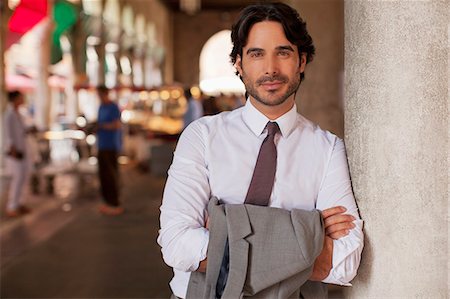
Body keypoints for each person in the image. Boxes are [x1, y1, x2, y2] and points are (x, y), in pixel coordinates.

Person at [158, 3, 364, 298]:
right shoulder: (202, 137)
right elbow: (177, 245)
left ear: (302, 61)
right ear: (239, 63)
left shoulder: (328, 149)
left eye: (283, 52)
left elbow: (345, 262)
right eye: (256, 54)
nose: (270, 69)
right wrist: (307, 237)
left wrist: (222, 234)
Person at [96, 85, 124, 216]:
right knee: (103, 176)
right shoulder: (101, 107)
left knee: (111, 175)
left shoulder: (113, 107)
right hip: (101, 145)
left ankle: (115, 203)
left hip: (111, 145)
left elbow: (117, 125)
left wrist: (102, 126)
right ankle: (107, 201)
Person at [3, 91, 31, 217]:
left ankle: (19, 203)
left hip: (22, 150)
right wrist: (13, 149)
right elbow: (8, 135)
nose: (22, 99)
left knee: (23, 178)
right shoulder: (8, 115)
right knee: (17, 178)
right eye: (20, 97)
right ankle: (12, 206)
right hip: (15, 152)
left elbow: (21, 131)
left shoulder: (18, 113)